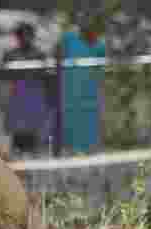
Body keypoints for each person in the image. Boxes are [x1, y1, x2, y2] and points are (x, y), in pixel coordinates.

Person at [58, 15, 106, 155]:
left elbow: (101, 73)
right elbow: (57, 59)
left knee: (90, 129)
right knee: (71, 130)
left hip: (90, 96)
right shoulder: (68, 39)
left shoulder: (100, 46)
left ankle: (91, 152)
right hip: (70, 95)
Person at [3, 21, 52, 157]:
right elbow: (5, 77)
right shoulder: (10, 54)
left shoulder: (40, 54)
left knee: (33, 139)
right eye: (21, 35)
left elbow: (47, 77)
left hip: (34, 101)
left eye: (28, 34)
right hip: (17, 101)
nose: (25, 38)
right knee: (18, 139)